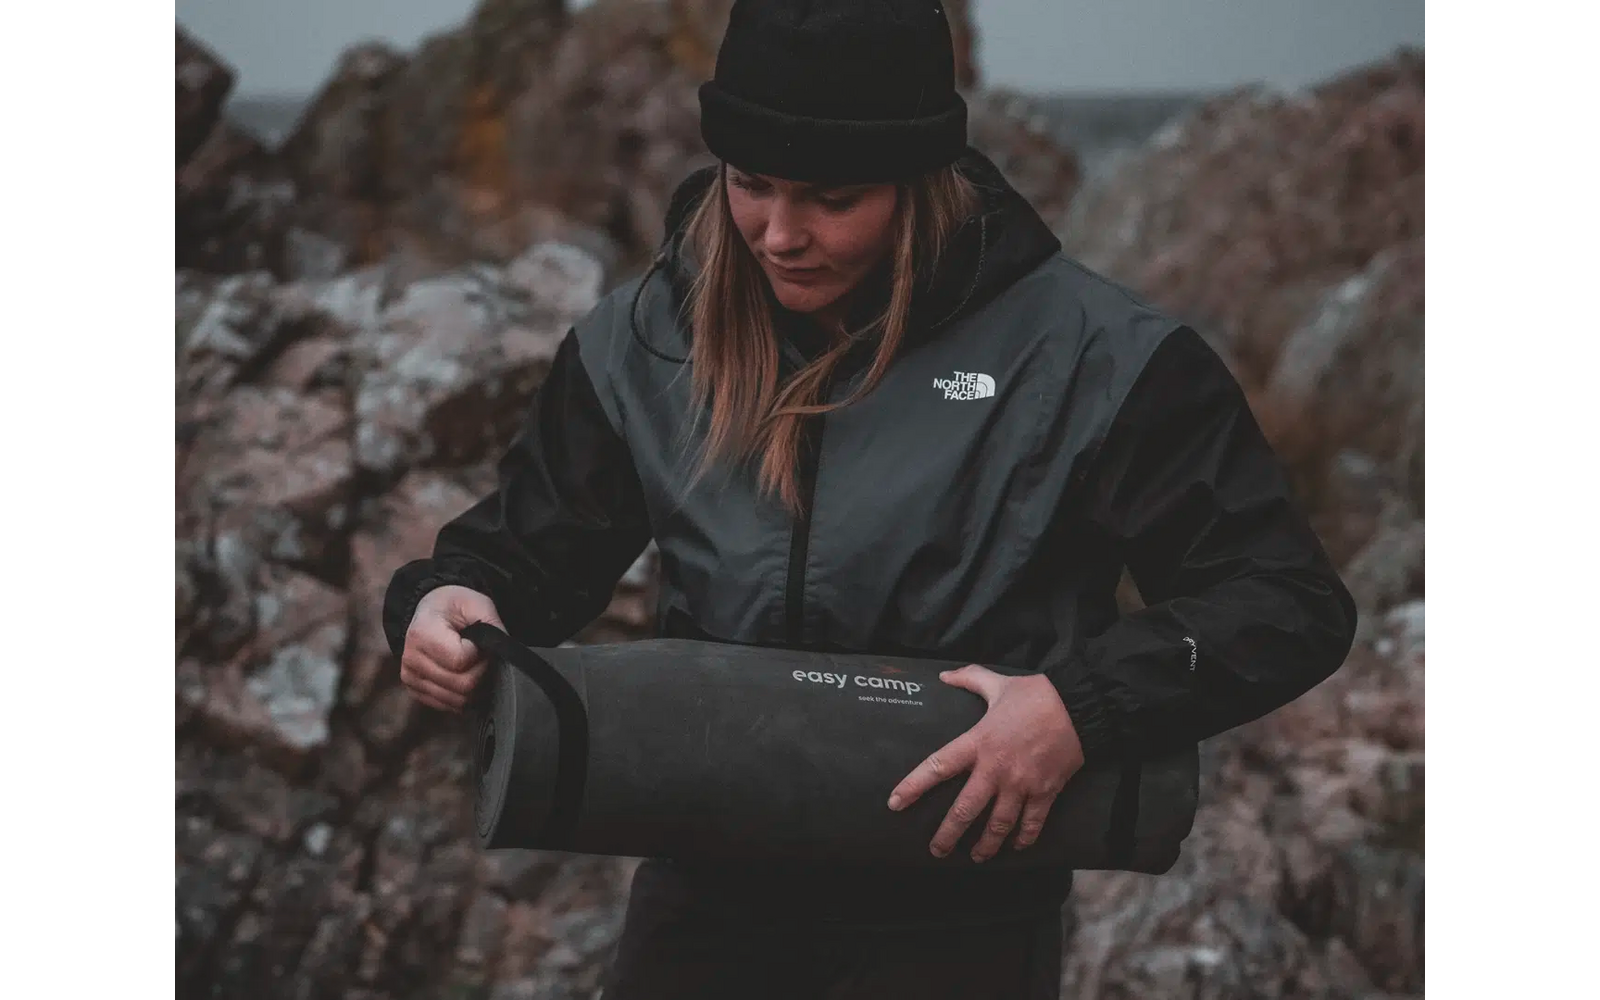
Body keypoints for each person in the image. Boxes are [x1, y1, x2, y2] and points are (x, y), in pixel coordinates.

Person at [382, 1, 1358, 996]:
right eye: (749, 184)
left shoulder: (1099, 359)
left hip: (959, 911)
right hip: (701, 907)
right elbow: (524, 555)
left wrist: (1077, 707)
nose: (777, 233)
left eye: (831, 198)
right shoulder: (646, 339)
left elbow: (1284, 601)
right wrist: (448, 597)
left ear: (920, 179)